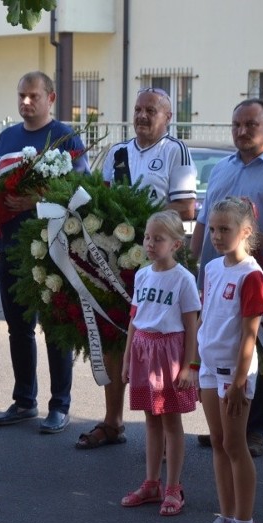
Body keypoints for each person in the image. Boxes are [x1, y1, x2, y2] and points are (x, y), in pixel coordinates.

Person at [77, 87, 197, 449]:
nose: (143, 116)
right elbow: (102, 200)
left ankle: (162, 433)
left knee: (160, 341)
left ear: (168, 116)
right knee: (118, 335)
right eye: (138, 109)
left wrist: (137, 220)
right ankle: (112, 422)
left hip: (159, 261)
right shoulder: (117, 152)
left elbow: (187, 208)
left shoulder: (176, 150)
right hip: (116, 256)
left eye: (152, 110)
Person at [190, 98, 263, 457]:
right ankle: (226, 427)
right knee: (220, 346)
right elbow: (204, 220)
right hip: (217, 278)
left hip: (262, 283)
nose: (242, 131)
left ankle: (255, 431)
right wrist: (190, 260)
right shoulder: (222, 169)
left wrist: (256, 242)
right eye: (237, 124)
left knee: (258, 353)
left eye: (250, 125)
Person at [0, 71, 89, 434]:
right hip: (10, 245)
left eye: (33, 96)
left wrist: (38, 199)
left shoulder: (66, 137)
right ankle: (25, 399)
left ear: (51, 98)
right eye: (21, 96)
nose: (26, 102)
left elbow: (81, 193)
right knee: (18, 328)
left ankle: (60, 404)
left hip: (51, 248)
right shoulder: (6, 137)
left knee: (55, 327)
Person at [190, 197, 263, 523]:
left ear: (246, 232)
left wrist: (239, 381)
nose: (217, 236)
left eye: (226, 229)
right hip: (209, 367)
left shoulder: (252, 275)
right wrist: (193, 363)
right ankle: (226, 515)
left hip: (233, 374)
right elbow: (207, 319)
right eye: (214, 229)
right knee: (219, 443)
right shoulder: (213, 267)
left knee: (236, 445)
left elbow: (249, 334)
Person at [119, 210, 200, 516]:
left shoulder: (184, 280)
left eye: (158, 238)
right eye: (147, 237)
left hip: (170, 354)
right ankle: (151, 482)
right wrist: (127, 358)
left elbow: (192, 325)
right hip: (143, 350)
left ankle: (173, 487)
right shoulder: (142, 275)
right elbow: (134, 320)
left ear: (176, 244)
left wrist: (190, 365)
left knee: (171, 422)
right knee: (151, 419)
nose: (150, 243)